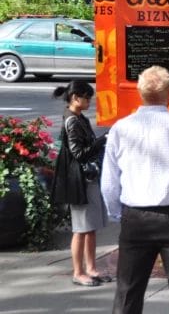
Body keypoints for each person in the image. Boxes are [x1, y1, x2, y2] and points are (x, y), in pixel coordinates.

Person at [101, 65, 169, 314]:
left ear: (140, 93)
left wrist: (118, 213)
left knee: (127, 291)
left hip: (135, 216)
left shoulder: (120, 128)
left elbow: (109, 181)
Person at [50, 80, 110, 287]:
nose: (89, 101)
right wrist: (103, 140)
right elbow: (79, 154)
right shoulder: (72, 121)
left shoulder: (78, 117)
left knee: (90, 227)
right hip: (79, 181)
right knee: (81, 229)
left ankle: (91, 268)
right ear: (76, 97)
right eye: (87, 97)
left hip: (87, 179)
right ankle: (78, 272)